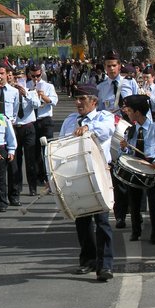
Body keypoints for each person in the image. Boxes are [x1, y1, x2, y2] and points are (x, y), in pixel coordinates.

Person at [59, 84, 115, 282]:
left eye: (82, 99)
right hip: (76, 174)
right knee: (82, 220)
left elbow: (107, 131)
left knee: (102, 221)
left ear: (94, 102)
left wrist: (87, 127)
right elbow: (60, 145)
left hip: (99, 173)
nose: (78, 103)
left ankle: (105, 265)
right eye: (77, 98)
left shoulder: (104, 117)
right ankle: (88, 260)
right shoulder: (70, 120)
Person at [97, 50, 140, 228]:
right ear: (105, 67)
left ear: (119, 66)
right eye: (108, 66)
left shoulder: (130, 84)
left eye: (114, 65)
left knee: (133, 172)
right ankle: (120, 214)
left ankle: (136, 210)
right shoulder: (101, 88)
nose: (111, 69)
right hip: (112, 136)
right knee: (117, 175)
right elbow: (98, 113)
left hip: (131, 132)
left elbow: (141, 108)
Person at [119, 94, 155, 244]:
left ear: (138, 112)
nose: (126, 113)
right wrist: (124, 148)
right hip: (135, 165)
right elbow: (127, 153)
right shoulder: (131, 130)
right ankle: (136, 231)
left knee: (152, 201)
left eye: (129, 110)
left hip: (150, 166)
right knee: (133, 202)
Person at [11, 67, 41, 200]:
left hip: (28, 127)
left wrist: (26, 95)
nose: (18, 81)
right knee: (16, 160)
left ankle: (32, 187)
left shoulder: (31, 91)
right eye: (16, 78)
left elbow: (37, 104)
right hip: (15, 128)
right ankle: (16, 187)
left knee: (30, 159)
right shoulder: (10, 92)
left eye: (20, 78)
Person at [29, 64, 59, 187]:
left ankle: (50, 176)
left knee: (47, 149)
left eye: (38, 75)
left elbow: (54, 102)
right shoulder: (26, 86)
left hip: (45, 120)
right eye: (33, 76)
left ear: (41, 73)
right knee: (34, 150)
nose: (36, 79)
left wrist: (43, 96)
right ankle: (39, 177)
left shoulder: (48, 86)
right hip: (33, 120)